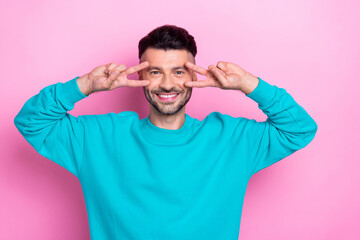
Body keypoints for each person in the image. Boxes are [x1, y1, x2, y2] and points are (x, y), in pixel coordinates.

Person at [14, 24, 318, 240]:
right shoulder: (99, 137)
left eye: (179, 71)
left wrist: (248, 84)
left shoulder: (231, 139)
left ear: (195, 75)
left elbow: (299, 129)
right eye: (156, 72)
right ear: (140, 75)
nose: (168, 84)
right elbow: (31, 121)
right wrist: (84, 85)